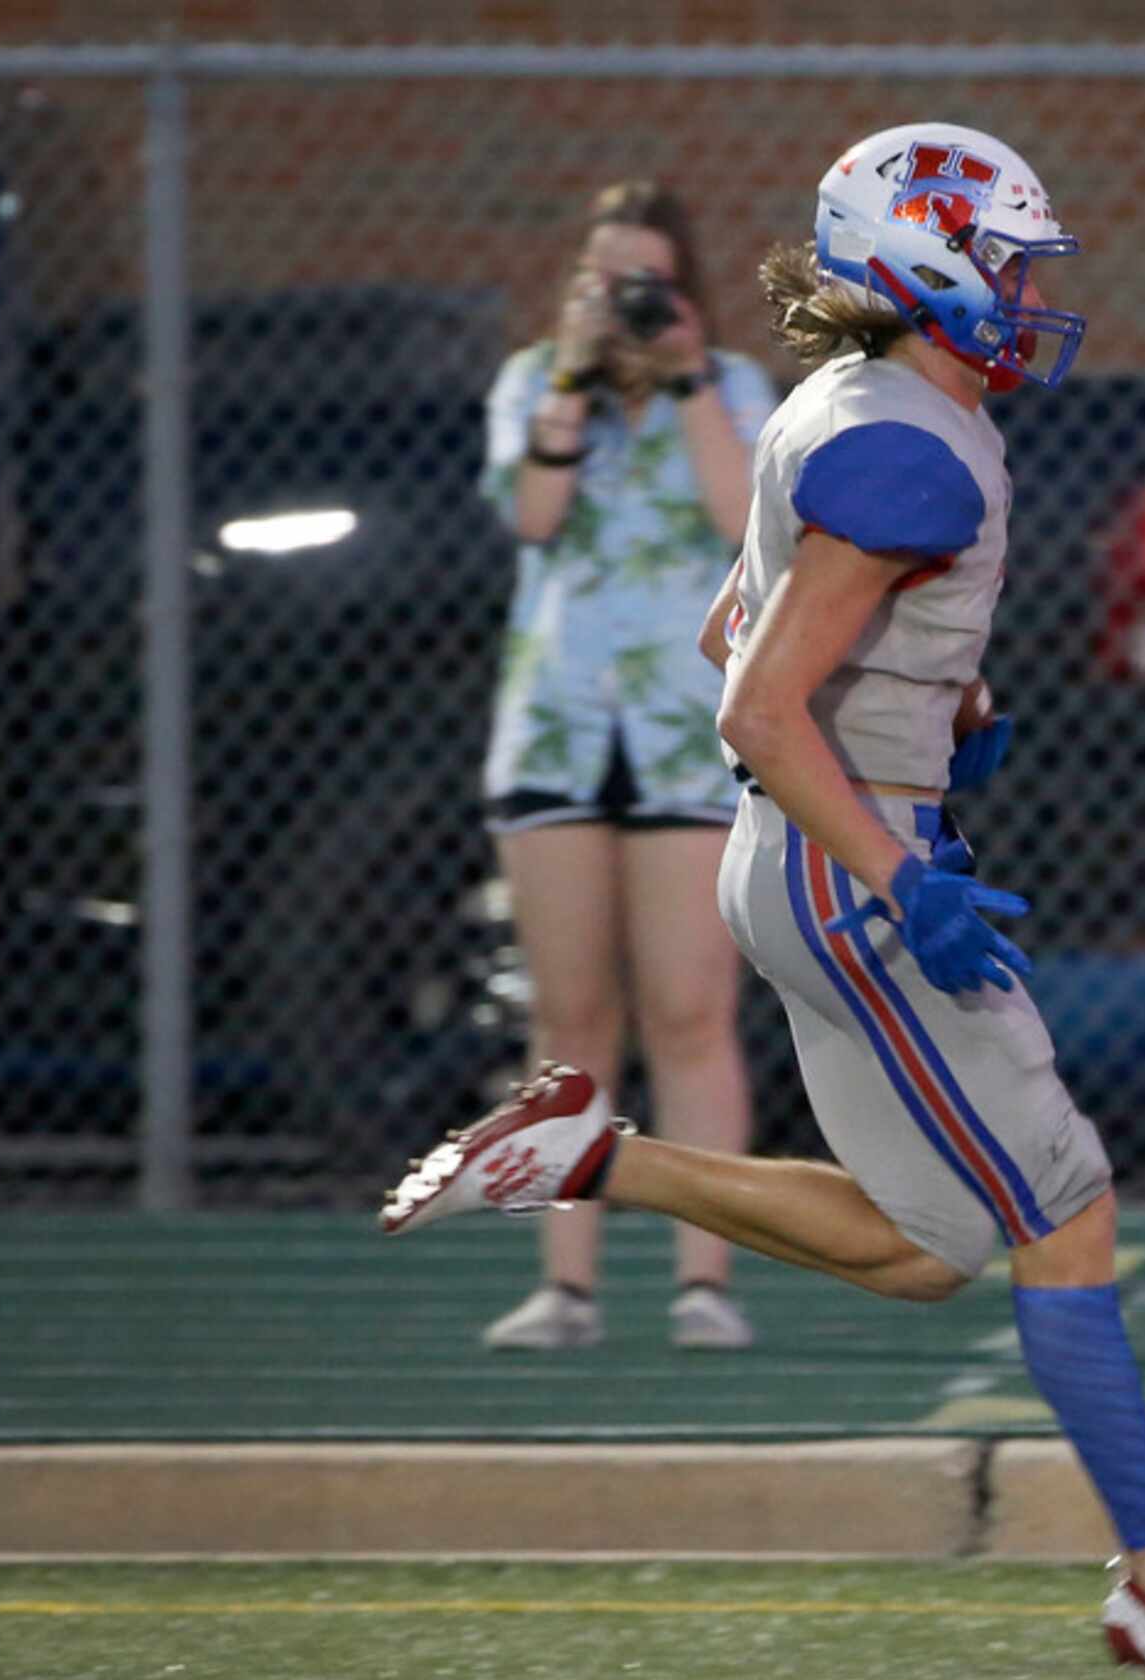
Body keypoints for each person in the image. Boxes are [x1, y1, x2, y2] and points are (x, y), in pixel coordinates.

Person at [385, 122, 1145, 1680]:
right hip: (850, 865)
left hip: (808, 857)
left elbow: (725, 621)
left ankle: (582, 1156)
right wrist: (902, 863)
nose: (1032, 293)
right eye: (1010, 262)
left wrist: (927, 691)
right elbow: (759, 706)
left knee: (924, 1247)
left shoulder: (860, 409)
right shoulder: (903, 440)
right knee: (1067, 1206)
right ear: (927, 265)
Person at [475, 182, 780, 1355]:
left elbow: (739, 519)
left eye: (647, 281)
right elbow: (534, 515)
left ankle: (703, 1281)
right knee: (571, 1020)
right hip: (556, 725)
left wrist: (691, 374)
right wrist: (570, 372)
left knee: (690, 1013)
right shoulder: (529, 382)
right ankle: (567, 1286)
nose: (625, 304)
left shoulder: (741, 388)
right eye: (605, 280)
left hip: (683, 730)